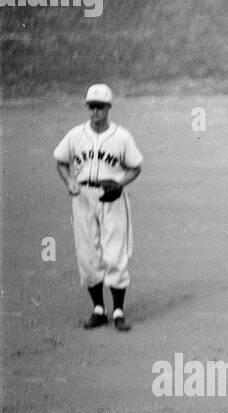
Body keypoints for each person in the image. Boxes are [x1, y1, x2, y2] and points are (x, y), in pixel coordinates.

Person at [54, 83, 143, 332]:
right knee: (87, 255)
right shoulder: (75, 135)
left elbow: (135, 167)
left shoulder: (122, 136)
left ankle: (118, 311)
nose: (95, 112)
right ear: (87, 107)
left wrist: (119, 183)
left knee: (115, 253)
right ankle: (98, 310)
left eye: (100, 107)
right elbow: (61, 161)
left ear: (108, 108)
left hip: (111, 197)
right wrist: (70, 181)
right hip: (83, 197)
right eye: (92, 106)